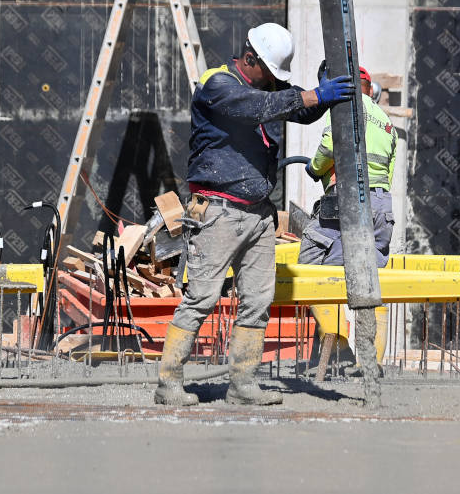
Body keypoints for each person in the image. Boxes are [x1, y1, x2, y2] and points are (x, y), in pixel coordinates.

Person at [154, 23, 356, 406]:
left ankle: (243, 385)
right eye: (269, 73)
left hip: (259, 215)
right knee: (201, 298)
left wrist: (323, 97)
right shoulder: (218, 84)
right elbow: (255, 108)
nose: (272, 83)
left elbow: (298, 109)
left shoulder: (265, 90)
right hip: (218, 211)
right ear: (250, 59)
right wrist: (312, 94)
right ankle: (168, 383)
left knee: (258, 301)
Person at [298, 66, 397, 373]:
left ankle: (339, 350)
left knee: (316, 266)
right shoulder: (385, 120)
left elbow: (329, 147)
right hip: (381, 205)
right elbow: (388, 171)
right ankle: (370, 361)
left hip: (349, 201)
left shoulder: (344, 106)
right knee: (370, 281)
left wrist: (315, 169)